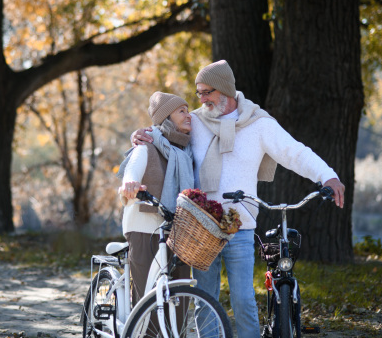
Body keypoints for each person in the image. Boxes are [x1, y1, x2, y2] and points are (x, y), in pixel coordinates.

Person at [132, 60, 345, 337]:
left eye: (207, 91)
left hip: (241, 228)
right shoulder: (195, 121)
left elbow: (295, 152)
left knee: (243, 301)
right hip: (201, 228)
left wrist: (327, 176)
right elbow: (162, 134)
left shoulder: (259, 124)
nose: (202, 98)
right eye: (200, 93)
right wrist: (137, 135)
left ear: (225, 89)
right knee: (205, 300)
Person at [117, 91, 194, 306]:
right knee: (146, 300)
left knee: (180, 297)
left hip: (178, 231)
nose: (189, 116)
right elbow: (132, 170)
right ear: (166, 118)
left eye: (188, 110)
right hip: (144, 228)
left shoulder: (186, 153)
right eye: (182, 111)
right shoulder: (147, 146)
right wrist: (130, 184)